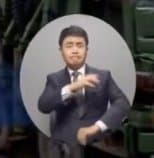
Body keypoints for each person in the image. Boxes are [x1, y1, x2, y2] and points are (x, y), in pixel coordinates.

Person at [37, 25, 130, 158]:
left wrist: (96, 127)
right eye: (69, 46)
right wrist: (71, 88)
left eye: (80, 46)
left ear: (86, 50)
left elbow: (122, 103)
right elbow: (43, 105)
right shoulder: (54, 79)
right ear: (61, 51)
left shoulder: (103, 76)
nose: (75, 51)